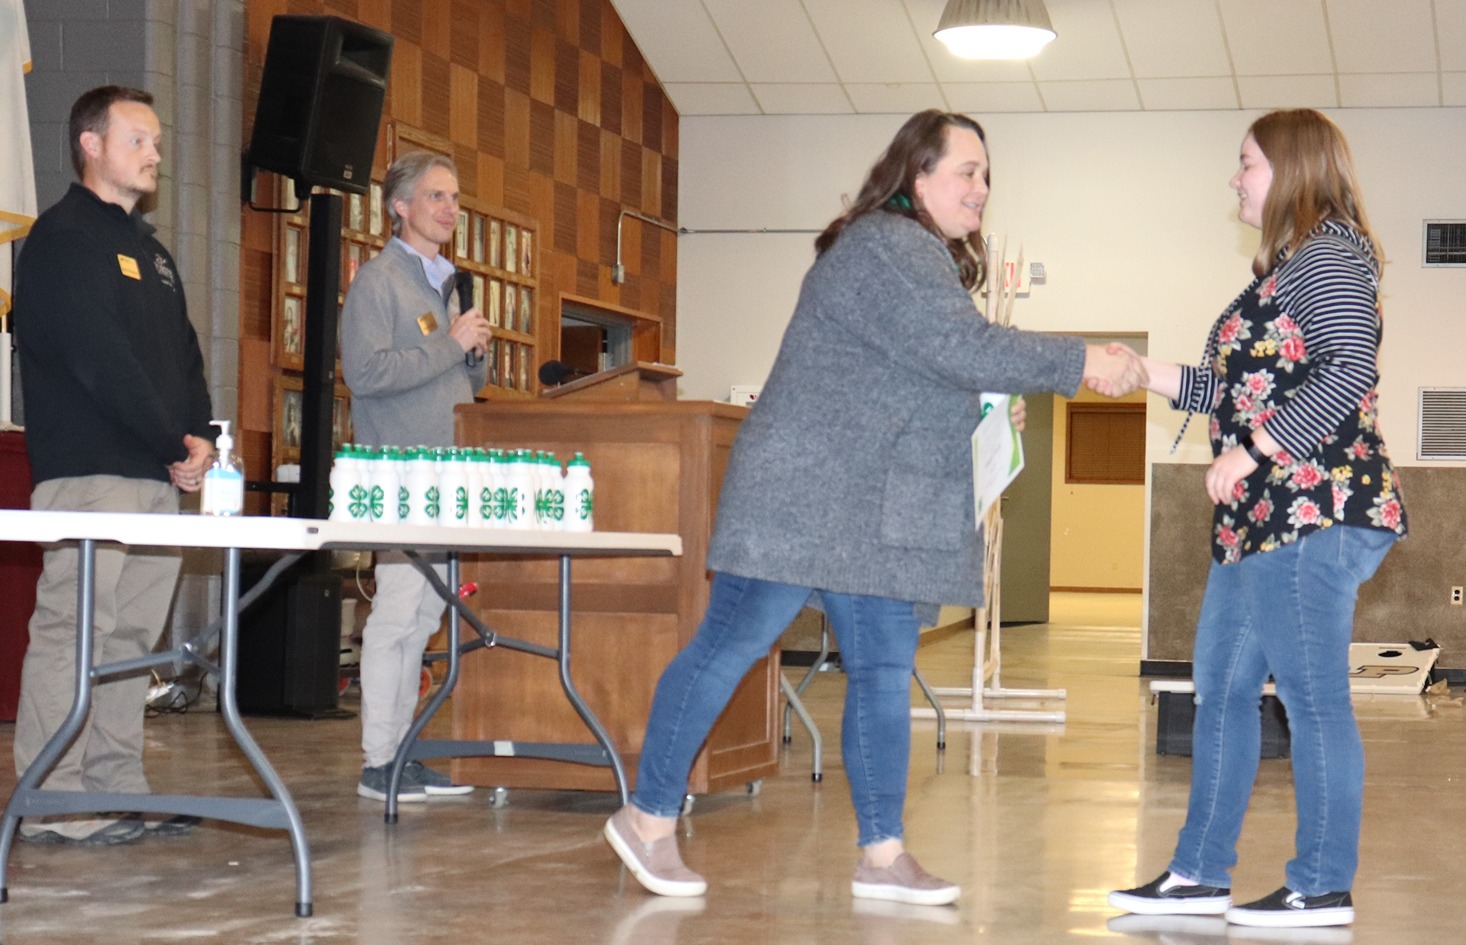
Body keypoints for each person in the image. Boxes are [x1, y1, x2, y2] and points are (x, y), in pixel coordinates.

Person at [601, 109, 1145, 905]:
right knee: (730, 645)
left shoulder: (914, 256)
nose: (982, 189)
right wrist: (1081, 360)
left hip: (867, 504)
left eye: (987, 175)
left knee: (886, 670)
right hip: (805, 494)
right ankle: (645, 818)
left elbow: (912, 376)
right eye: (967, 171)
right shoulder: (889, 247)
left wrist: (982, 406)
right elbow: (958, 348)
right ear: (917, 175)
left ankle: (883, 853)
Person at [1108, 109, 1406, 929]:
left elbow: (1348, 369)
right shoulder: (1277, 272)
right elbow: (1228, 387)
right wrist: (1144, 371)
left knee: (1312, 700)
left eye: (1246, 162)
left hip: (1312, 512)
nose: (1234, 178)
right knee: (1223, 690)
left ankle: (1321, 883)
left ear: (1292, 167)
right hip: (1260, 524)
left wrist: (1254, 450)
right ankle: (1200, 871)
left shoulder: (1329, 254)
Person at [12, 86, 215, 845]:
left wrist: (198, 435)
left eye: (157, 142)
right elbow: (100, 361)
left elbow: (184, 356)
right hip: (92, 469)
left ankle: (116, 783)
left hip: (159, 473)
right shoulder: (63, 238)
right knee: (76, 630)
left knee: (133, 638)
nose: (155, 154)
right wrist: (171, 438)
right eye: (139, 140)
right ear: (90, 144)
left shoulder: (153, 253)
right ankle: (53, 797)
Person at [341, 150, 491, 803]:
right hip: (400, 472)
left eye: (455, 198)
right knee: (399, 613)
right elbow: (367, 373)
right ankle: (379, 759)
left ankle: (404, 751)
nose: (450, 209)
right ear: (399, 206)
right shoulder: (380, 282)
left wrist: (473, 355)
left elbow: (455, 377)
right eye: (436, 197)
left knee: (428, 613)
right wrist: (450, 346)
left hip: (447, 473)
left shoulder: (444, 286)